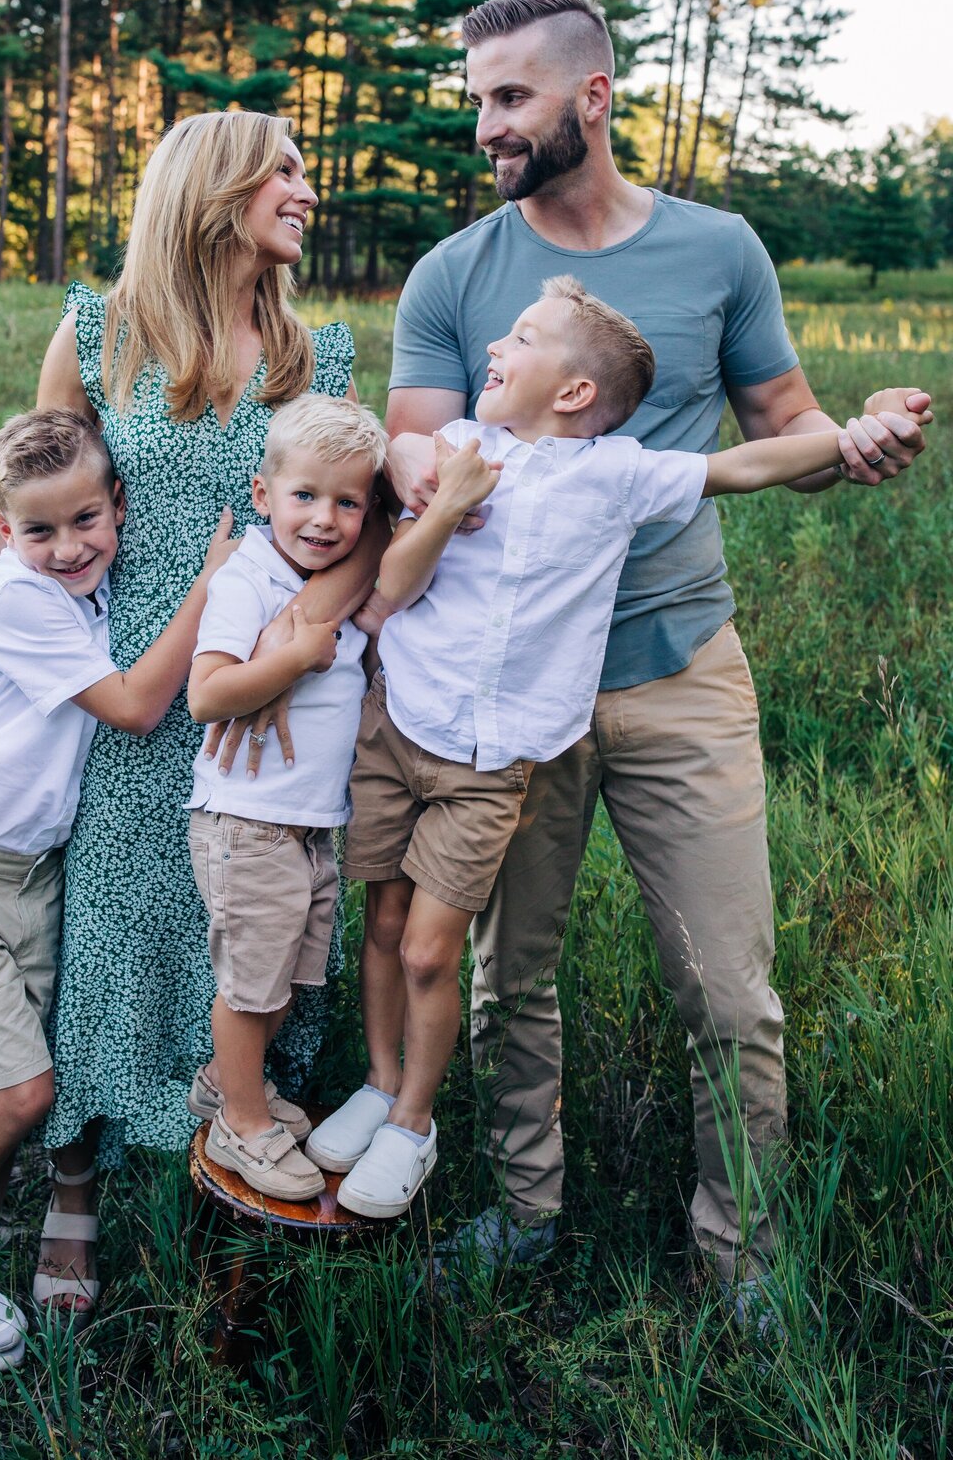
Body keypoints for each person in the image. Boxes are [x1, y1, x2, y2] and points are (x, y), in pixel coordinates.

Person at [382, 0, 932, 1292]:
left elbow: (784, 427)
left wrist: (858, 441)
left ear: (593, 96)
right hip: (509, 700)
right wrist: (422, 473)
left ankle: (743, 1261)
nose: (486, 126)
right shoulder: (455, 274)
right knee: (511, 977)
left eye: (510, 97)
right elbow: (411, 443)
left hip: (681, 668)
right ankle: (524, 1213)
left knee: (729, 993)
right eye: (478, 99)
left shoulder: (719, 251)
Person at [0, 112, 387, 1318]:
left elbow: (353, 525)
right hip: (118, 695)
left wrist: (291, 649)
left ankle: (235, 1163)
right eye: (285, 171)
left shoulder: (315, 355)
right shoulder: (100, 332)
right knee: (110, 939)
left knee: (252, 926)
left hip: (262, 704)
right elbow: (14, 511)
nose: (306, 191)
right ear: (216, 191)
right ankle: (74, 1185)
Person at [311, 278, 920, 1221]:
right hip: (405, 721)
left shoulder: (619, 473)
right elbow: (393, 583)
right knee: (390, 926)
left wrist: (856, 435)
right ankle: (398, 1103)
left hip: (501, 755)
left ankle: (417, 1124)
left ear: (573, 392)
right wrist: (442, 495)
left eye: (520, 339)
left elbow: (744, 465)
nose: (494, 350)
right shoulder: (460, 448)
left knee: (433, 946)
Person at [0, 409, 235, 1366]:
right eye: (40, 530)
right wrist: (210, 585)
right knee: (21, 1094)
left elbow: (44, 532)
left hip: (26, 876)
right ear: (4, 532)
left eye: (87, 520)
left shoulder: (78, 583)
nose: (71, 547)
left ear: (118, 504)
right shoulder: (19, 600)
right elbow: (135, 706)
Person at [185, 394, 387, 1199]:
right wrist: (296, 658)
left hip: (307, 827)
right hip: (249, 824)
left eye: (348, 502)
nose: (325, 519)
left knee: (282, 983)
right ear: (263, 495)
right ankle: (243, 1123)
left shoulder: (328, 584)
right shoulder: (250, 579)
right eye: (305, 495)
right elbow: (207, 694)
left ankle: (224, 1086)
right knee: (250, 989)